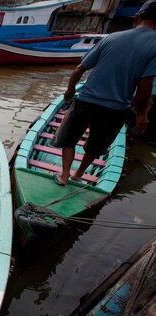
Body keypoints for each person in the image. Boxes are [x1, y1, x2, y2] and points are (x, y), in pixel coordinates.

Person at [51, 0, 156, 186]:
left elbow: (79, 70)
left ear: (137, 17)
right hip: (115, 109)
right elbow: (145, 83)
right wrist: (141, 114)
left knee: (68, 138)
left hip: (86, 100)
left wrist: (69, 91)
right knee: (96, 146)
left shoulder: (111, 37)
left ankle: (64, 175)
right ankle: (78, 175)